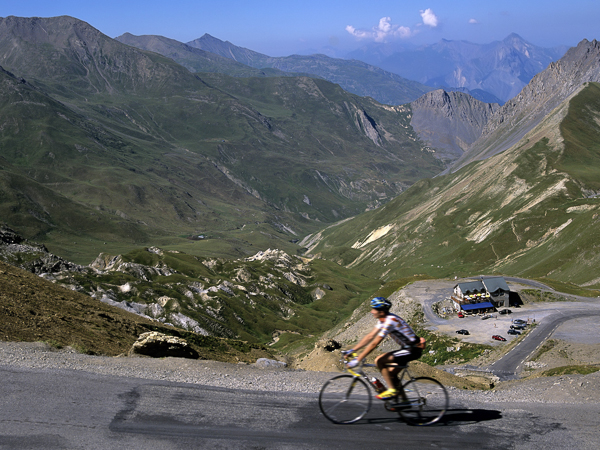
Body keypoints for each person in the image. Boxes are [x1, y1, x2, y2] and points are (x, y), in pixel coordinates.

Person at [343, 297, 424, 401]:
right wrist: (352, 350)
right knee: (390, 374)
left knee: (379, 360)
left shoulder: (389, 321)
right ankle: (403, 403)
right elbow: (370, 336)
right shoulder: (383, 320)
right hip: (407, 349)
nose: (371, 311)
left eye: (374, 309)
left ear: (381, 312)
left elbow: (374, 343)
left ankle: (391, 391)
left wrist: (357, 360)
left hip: (412, 350)